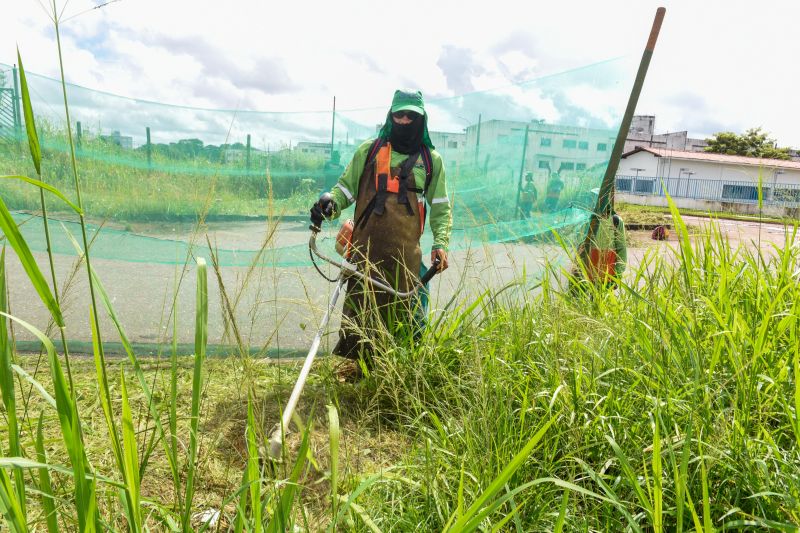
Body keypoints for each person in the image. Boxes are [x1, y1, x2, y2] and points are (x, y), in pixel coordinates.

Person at [310, 89, 452, 374]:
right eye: (399, 114)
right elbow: (344, 191)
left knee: (405, 318)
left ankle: (396, 378)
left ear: (421, 119)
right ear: (390, 116)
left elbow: (441, 207)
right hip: (364, 252)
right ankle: (361, 371)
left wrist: (441, 243)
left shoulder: (431, 160)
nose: (403, 120)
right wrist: (329, 206)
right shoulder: (370, 151)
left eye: (411, 115)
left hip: (405, 258)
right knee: (361, 313)